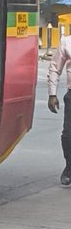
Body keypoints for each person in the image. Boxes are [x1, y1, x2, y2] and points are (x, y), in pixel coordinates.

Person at [47, 29, 71, 186]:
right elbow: (55, 68)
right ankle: (69, 166)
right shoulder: (66, 42)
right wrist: (52, 94)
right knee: (68, 135)